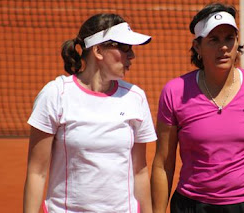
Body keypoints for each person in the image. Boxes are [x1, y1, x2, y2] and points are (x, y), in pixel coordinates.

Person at [151, 2, 244, 213]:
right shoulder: (175, 92)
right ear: (197, 47)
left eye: (230, 38)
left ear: (238, 42)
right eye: (214, 40)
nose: (224, 47)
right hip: (195, 206)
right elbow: (163, 164)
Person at [23, 13, 157, 213]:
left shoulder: (135, 97)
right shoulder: (56, 94)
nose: (132, 56)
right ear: (98, 50)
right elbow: (37, 172)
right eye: (124, 48)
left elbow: (140, 171)